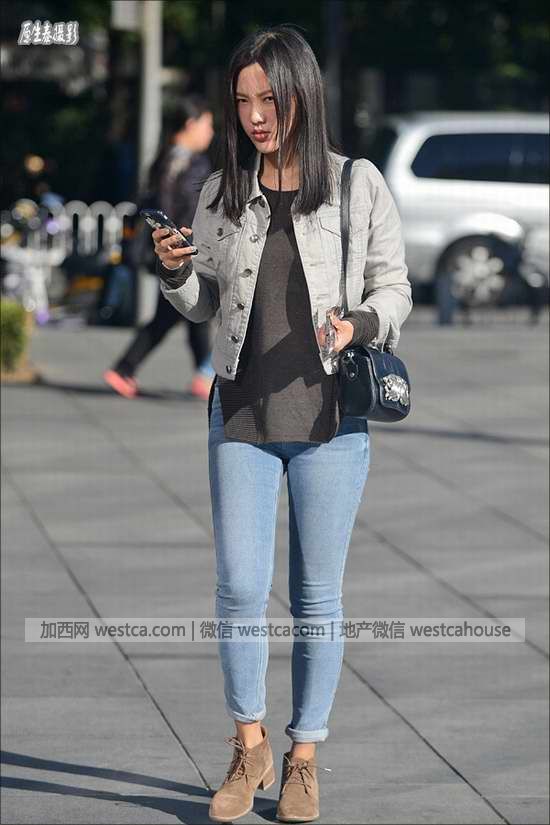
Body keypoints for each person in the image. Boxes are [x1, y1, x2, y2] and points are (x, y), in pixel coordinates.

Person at [153, 25, 412, 824]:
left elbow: (394, 286)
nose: (256, 115)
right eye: (243, 100)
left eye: (269, 98)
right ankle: (249, 744)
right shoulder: (221, 190)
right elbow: (204, 300)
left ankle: (303, 758)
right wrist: (174, 272)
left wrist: (359, 323)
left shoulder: (356, 184)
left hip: (331, 417)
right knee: (238, 586)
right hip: (241, 409)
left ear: (304, 92)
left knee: (315, 596)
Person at [104, 94, 216, 400]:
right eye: (207, 125)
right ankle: (126, 368)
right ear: (191, 124)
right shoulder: (195, 164)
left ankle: (203, 375)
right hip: (183, 251)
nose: (210, 133)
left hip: (165, 249)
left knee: (190, 314)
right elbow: (192, 210)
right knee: (179, 314)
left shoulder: (163, 159)